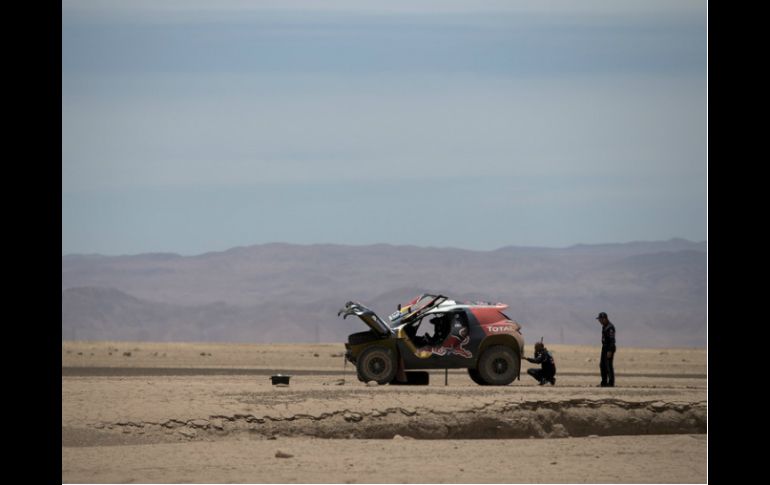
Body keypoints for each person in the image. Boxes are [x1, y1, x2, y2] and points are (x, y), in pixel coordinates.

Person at [596, 312, 616, 387]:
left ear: (604, 319)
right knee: (602, 365)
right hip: (604, 348)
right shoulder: (604, 326)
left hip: (609, 348)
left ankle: (610, 383)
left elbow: (612, 340)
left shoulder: (610, 327)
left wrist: (610, 350)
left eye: (600, 319)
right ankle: (604, 382)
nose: (599, 321)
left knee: (608, 366)